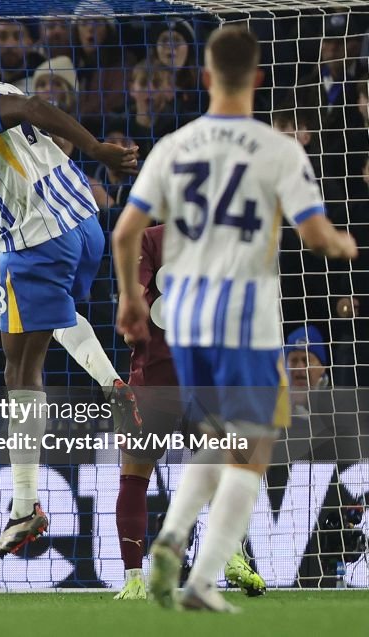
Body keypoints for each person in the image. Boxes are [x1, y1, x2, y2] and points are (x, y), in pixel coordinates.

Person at [113, 26, 357, 612]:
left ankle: (178, 547)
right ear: (259, 79)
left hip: (186, 323)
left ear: (204, 77)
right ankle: (196, 568)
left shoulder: (175, 145)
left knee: (221, 443)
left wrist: (128, 301)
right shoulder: (279, 150)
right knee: (251, 450)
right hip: (245, 320)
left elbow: (124, 231)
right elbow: (315, 235)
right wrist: (345, 245)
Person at [0, 38, 141, 559]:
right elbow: (21, 133)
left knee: (20, 373)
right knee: (54, 316)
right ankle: (115, 387)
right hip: (83, 223)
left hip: (36, 238)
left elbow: (36, 109)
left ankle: (25, 510)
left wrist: (99, 150)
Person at [113, 224, 265, 600]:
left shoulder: (146, 239)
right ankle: (230, 555)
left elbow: (132, 317)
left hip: (155, 377)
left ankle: (134, 579)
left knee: (134, 475)